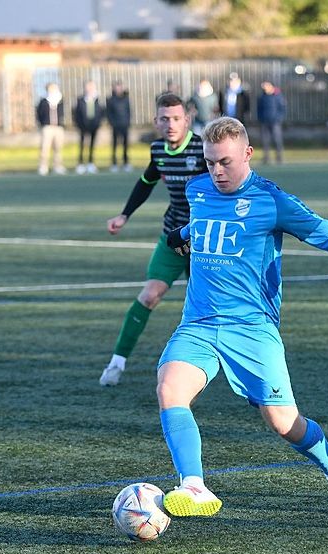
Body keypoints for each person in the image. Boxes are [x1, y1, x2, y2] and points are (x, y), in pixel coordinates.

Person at [155, 116, 328, 518]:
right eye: (211, 162)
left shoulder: (272, 201)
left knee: (283, 421)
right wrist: (181, 236)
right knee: (170, 389)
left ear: (248, 154)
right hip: (198, 324)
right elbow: (202, 222)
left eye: (226, 162)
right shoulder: (198, 189)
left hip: (252, 329)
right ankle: (193, 485)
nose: (217, 171)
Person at [99, 93, 208, 387]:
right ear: (156, 121)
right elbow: (146, 182)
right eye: (164, 119)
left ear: (187, 119)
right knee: (149, 295)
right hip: (172, 237)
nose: (170, 124)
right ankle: (116, 362)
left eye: (176, 119)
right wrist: (124, 215)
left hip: (204, 242)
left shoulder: (203, 149)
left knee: (206, 307)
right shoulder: (158, 149)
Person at [73, 80, 105, 174]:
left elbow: (101, 113)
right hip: (83, 126)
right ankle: (81, 163)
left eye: (91, 87)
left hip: (94, 126)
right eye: (88, 87)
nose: (89, 89)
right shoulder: (80, 100)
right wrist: (79, 124)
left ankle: (91, 163)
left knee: (92, 145)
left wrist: (98, 123)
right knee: (82, 145)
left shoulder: (98, 100)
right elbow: (76, 114)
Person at [35, 82, 66, 176]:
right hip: (47, 127)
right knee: (45, 147)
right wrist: (43, 123)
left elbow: (62, 113)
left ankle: (58, 166)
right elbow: (39, 114)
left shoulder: (60, 100)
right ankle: (43, 166)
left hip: (58, 127)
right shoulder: (43, 101)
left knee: (58, 147)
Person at [257, 80, 286, 165]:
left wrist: (278, 118)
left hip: (275, 122)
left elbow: (282, 109)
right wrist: (260, 118)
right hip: (264, 122)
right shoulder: (262, 97)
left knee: (277, 140)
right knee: (265, 141)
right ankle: (266, 158)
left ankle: (279, 158)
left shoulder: (278, 96)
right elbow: (259, 109)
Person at [106, 80, 132, 173]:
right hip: (115, 126)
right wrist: (112, 123)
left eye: (120, 87)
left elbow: (129, 111)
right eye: (117, 87)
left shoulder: (126, 99)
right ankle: (114, 163)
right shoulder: (110, 99)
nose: (118, 89)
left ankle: (126, 163)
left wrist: (128, 122)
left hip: (124, 125)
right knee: (115, 145)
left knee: (125, 145)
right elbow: (108, 113)